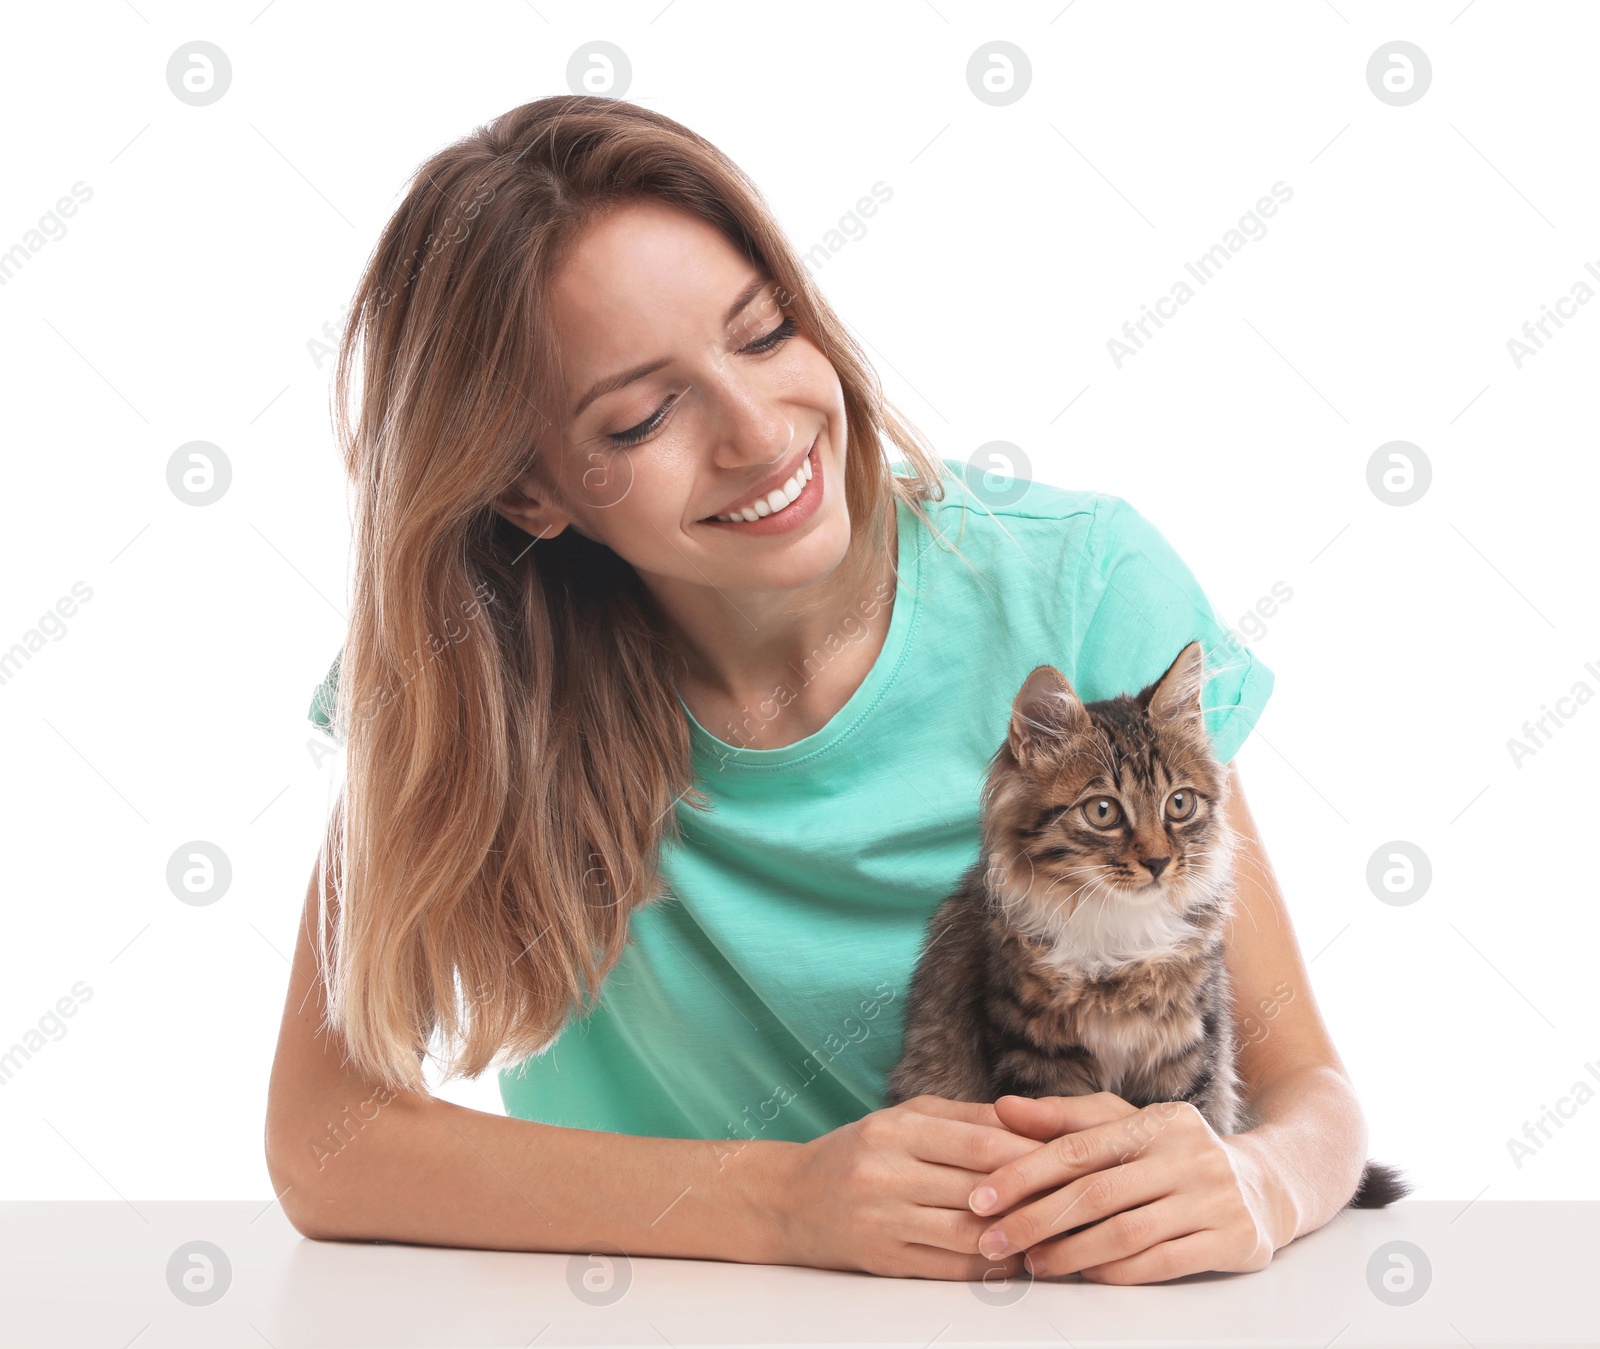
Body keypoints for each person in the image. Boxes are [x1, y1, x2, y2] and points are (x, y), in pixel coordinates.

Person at [267, 93, 1370, 1285]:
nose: (759, 433)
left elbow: (1309, 1091)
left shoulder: (1082, 586)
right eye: (641, 416)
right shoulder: (466, 672)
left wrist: (1255, 1181)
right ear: (530, 496)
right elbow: (327, 1147)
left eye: (762, 333)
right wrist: (782, 1201)